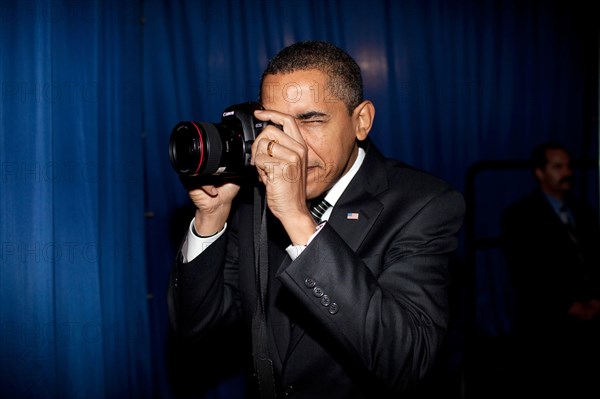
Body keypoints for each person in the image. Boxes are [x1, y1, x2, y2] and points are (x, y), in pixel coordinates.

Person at [168, 40, 465, 398]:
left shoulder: (424, 203)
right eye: (274, 124)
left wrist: (297, 219)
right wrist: (211, 218)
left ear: (361, 121)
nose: (290, 144)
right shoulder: (252, 202)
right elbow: (196, 329)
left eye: (310, 120)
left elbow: (406, 362)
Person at [500, 141, 600, 398]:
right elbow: (526, 273)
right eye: (558, 166)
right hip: (547, 325)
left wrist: (594, 301)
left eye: (568, 166)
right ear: (540, 172)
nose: (567, 172)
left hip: (589, 316)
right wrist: (568, 305)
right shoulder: (521, 216)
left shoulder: (583, 211)